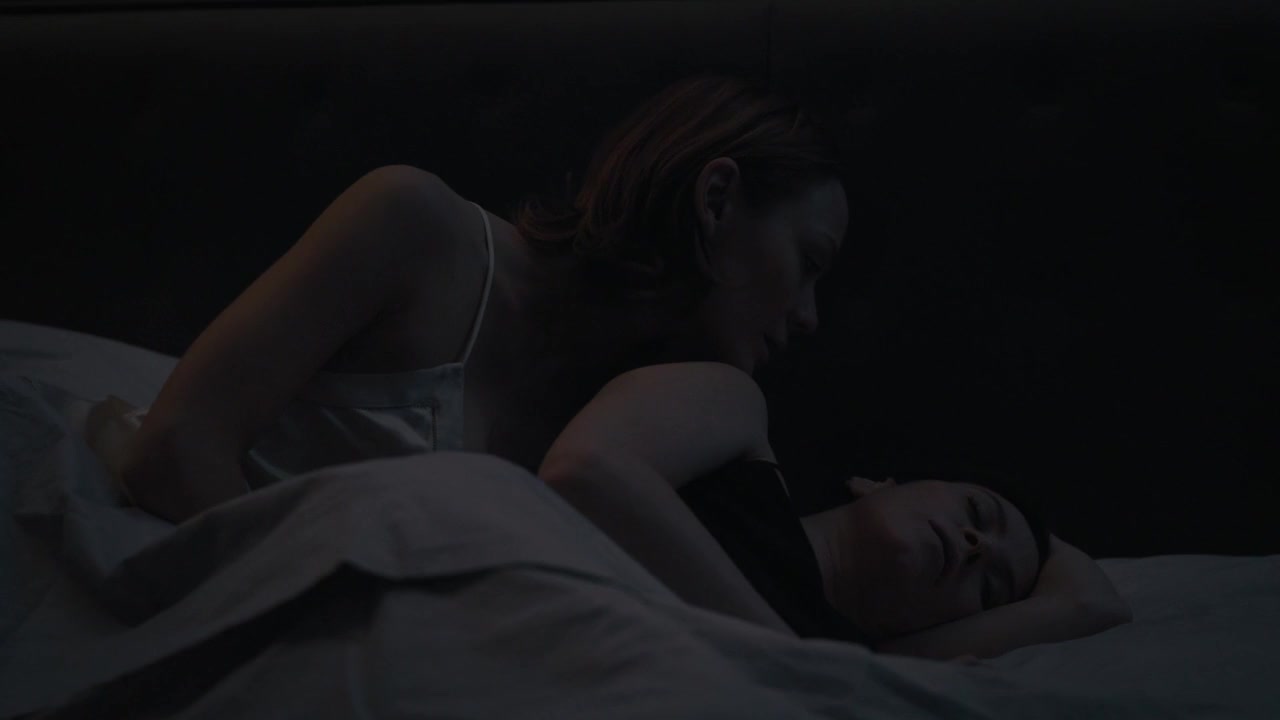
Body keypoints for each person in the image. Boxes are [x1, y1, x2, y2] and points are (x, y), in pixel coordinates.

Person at [98, 73, 850, 523]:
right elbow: (175, 448)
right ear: (716, 199)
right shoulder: (414, 227)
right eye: (808, 263)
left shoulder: (634, 431)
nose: (810, 316)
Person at [538, 361, 1132, 660]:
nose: (978, 547)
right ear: (876, 484)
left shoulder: (862, 666)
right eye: (977, 512)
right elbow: (584, 474)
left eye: (990, 587)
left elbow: (1092, 604)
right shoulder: (737, 452)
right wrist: (789, 661)